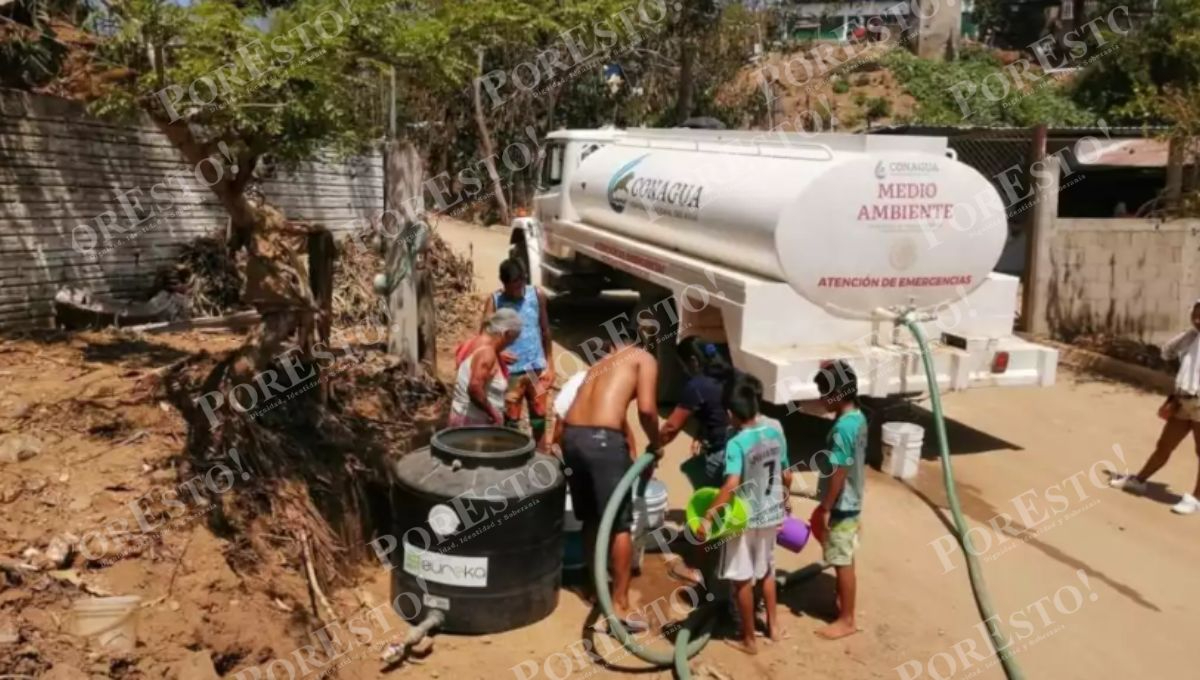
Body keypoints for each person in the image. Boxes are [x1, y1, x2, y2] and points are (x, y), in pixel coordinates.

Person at [561, 315, 662, 630]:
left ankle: (595, 590)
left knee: (593, 519)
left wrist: (627, 449)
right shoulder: (643, 359)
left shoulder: (598, 366)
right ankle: (618, 604)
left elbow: (605, 414)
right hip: (602, 442)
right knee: (619, 524)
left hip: (573, 438)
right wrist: (656, 444)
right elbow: (646, 409)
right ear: (639, 341)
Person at [699, 373, 790, 655]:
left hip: (744, 518)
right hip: (772, 513)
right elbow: (787, 474)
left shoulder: (736, 443)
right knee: (767, 571)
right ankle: (774, 628)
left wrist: (708, 516)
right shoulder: (775, 432)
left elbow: (731, 484)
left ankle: (749, 639)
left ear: (730, 414)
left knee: (741, 580)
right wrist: (785, 502)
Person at [1110, 300, 1200, 514]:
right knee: (1164, 445)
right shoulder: (1192, 338)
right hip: (1183, 401)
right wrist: (1190, 332)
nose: (1197, 319)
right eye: (1195, 314)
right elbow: (1167, 352)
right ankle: (1139, 480)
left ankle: (1196, 498)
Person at [810, 360, 866, 640]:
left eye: (824, 393)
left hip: (842, 503)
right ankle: (843, 604)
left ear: (838, 395)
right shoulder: (857, 417)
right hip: (853, 499)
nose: (821, 399)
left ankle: (847, 619)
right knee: (846, 556)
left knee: (841, 559)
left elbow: (840, 469)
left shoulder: (844, 429)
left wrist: (826, 507)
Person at [481, 259, 554, 447]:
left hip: (535, 368)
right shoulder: (495, 301)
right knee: (511, 419)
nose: (517, 290)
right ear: (503, 283)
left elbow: (546, 331)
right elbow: (484, 336)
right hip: (510, 371)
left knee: (539, 414)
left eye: (520, 284)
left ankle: (541, 457)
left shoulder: (536, 295)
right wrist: (497, 353)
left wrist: (550, 366)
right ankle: (512, 456)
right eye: (512, 287)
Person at [660, 337, 735, 490]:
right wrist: (699, 435)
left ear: (693, 361)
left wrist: (654, 446)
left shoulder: (697, 386)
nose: (684, 371)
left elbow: (671, 427)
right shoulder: (730, 375)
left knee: (696, 476)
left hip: (722, 452)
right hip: (745, 445)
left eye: (683, 366)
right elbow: (715, 409)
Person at [449, 309, 522, 427]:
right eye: (513, 340)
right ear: (507, 333)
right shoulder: (487, 352)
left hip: (461, 419)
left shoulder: (474, 343)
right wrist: (493, 413)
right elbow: (474, 388)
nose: (511, 344)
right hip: (475, 426)